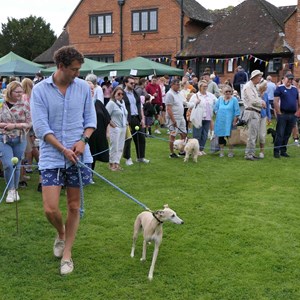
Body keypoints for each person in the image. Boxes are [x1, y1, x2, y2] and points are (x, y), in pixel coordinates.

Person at [31, 46, 96, 275]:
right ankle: (61, 233)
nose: (78, 73)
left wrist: (83, 141)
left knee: (74, 205)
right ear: (61, 66)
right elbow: (40, 127)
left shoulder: (83, 89)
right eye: (74, 69)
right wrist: (62, 149)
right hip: (51, 156)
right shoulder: (39, 90)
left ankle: (67, 254)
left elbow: (90, 120)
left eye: (79, 69)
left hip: (78, 156)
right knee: (50, 209)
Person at [0, 81, 31, 203]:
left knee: (16, 165)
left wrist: (14, 126)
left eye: (21, 91)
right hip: (3, 139)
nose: (20, 94)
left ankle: (15, 190)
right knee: (8, 164)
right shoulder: (1, 103)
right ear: (10, 91)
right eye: (17, 92)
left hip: (20, 139)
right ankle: (10, 190)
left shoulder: (25, 104)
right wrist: (3, 125)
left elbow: (29, 123)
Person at [123, 76, 149, 165]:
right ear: (126, 83)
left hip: (137, 118)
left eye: (134, 83)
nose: (133, 85)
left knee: (141, 138)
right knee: (128, 139)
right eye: (131, 83)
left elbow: (140, 106)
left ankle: (140, 157)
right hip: (128, 119)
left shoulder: (135, 93)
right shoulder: (122, 94)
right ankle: (128, 158)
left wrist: (142, 119)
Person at [86, 81, 110, 172]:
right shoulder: (80, 104)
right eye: (89, 89)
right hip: (86, 135)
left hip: (98, 134)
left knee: (94, 154)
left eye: (93, 88)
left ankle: (90, 174)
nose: (92, 90)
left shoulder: (98, 103)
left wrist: (107, 132)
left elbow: (107, 118)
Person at [187, 80, 217, 155]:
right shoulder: (195, 96)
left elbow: (217, 102)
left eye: (206, 86)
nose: (205, 88)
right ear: (200, 87)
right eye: (204, 86)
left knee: (205, 134)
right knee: (197, 134)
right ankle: (196, 150)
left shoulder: (210, 95)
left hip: (207, 117)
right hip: (198, 117)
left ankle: (201, 149)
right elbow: (189, 105)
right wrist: (195, 102)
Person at [273, 73, 299, 158]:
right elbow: (275, 101)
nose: (290, 81)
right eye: (289, 79)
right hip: (283, 114)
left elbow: (297, 101)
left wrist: (297, 112)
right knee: (280, 133)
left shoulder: (295, 89)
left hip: (292, 114)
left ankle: (283, 150)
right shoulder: (280, 88)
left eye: (291, 79)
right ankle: (276, 151)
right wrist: (279, 112)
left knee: (287, 134)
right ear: (284, 78)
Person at [243, 70, 266, 161]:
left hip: (255, 112)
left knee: (254, 134)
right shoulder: (248, 87)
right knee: (252, 134)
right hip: (252, 112)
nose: (260, 78)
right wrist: (262, 103)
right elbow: (253, 101)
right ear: (255, 77)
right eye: (259, 76)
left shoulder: (253, 86)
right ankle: (248, 154)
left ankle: (251, 153)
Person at [214, 85, 240, 158]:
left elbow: (237, 111)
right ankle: (221, 151)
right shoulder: (220, 99)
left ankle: (230, 151)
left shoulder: (234, 100)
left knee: (231, 137)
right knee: (221, 137)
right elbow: (215, 108)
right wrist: (217, 113)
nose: (228, 93)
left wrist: (234, 121)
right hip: (221, 121)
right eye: (226, 91)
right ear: (223, 92)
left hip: (230, 122)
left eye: (229, 91)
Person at [106, 86, 128, 171]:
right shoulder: (111, 103)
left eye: (122, 94)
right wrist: (113, 125)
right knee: (114, 146)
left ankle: (117, 163)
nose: (120, 95)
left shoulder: (122, 103)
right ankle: (111, 164)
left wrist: (126, 123)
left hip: (123, 127)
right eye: (118, 94)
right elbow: (106, 115)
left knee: (120, 146)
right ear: (114, 94)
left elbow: (125, 114)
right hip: (115, 128)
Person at [165, 79, 187, 158]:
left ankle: (181, 150)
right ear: (172, 85)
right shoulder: (169, 94)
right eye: (177, 84)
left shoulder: (178, 93)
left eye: (179, 85)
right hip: (174, 117)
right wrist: (173, 120)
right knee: (173, 135)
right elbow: (169, 109)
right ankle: (172, 152)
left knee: (184, 134)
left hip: (181, 117)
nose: (179, 86)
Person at [257, 80, 271, 158]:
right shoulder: (255, 93)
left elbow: (268, 106)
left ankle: (261, 152)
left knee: (262, 135)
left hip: (263, 116)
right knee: (253, 135)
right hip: (255, 116)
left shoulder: (266, 95)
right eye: (265, 85)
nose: (266, 87)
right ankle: (250, 152)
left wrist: (269, 117)